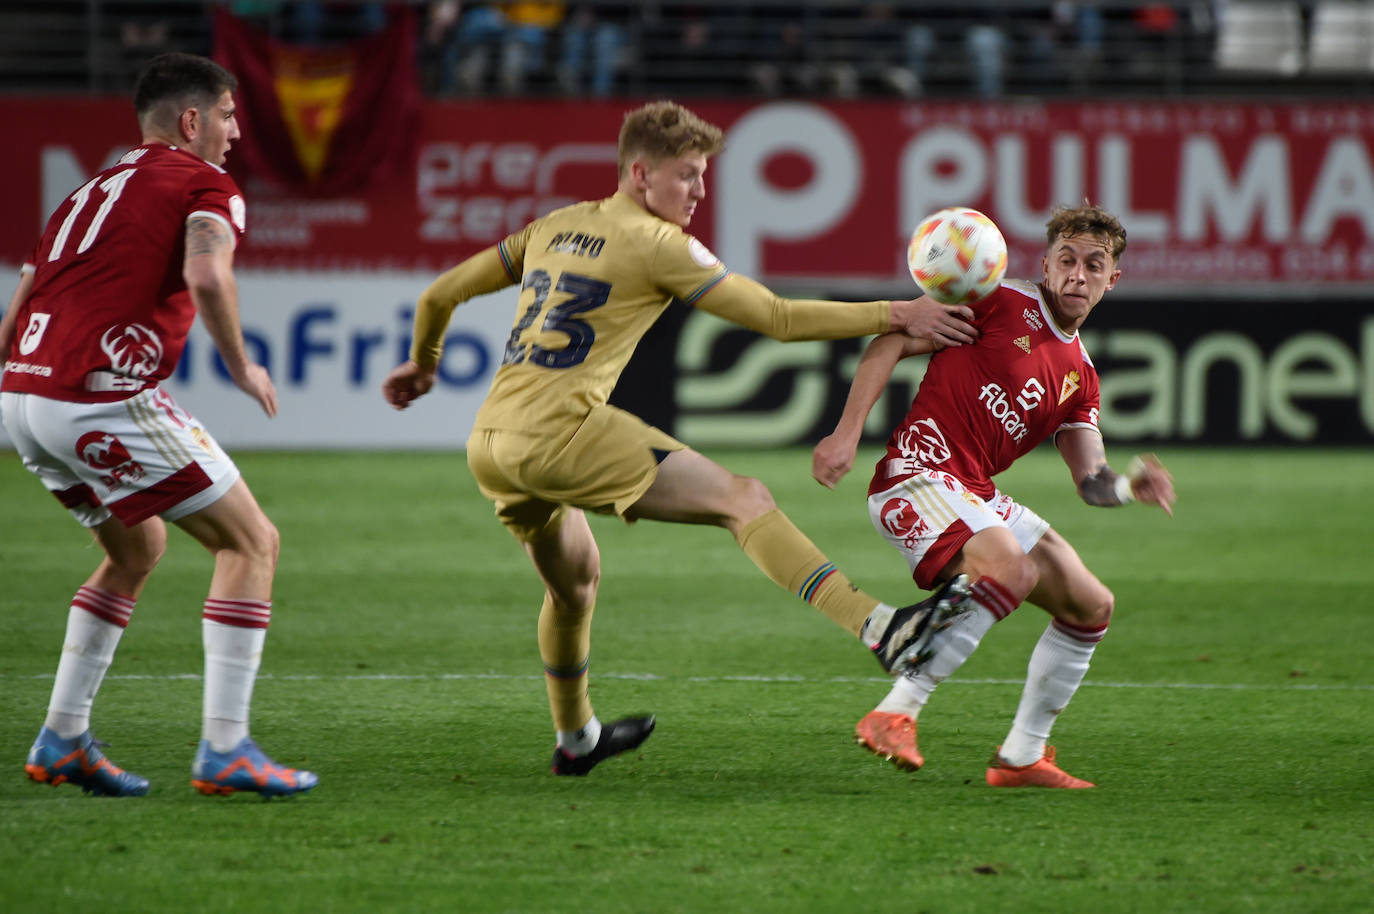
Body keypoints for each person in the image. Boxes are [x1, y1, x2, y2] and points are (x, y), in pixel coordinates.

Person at [382, 100, 981, 776]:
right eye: (688, 176)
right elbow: (777, 317)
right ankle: (882, 628)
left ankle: (577, 739)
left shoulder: (557, 224)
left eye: (703, 176)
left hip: (491, 442)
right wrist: (898, 311)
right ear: (642, 175)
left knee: (574, 587)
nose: (700, 191)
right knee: (744, 498)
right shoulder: (659, 244)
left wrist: (423, 364)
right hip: (560, 432)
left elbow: (439, 294)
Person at [0, 52, 316, 798]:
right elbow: (208, 274)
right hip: (100, 397)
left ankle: (63, 737)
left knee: (137, 547)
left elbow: (16, 314)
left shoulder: (83, 196)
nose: (237, 132)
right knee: (252, 541)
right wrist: (242, 366)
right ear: (192, 120)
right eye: (231, 114)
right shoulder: (203, 183)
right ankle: (226, 749)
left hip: (23, 401)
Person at [812, 203, 1176, 788]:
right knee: (1011, 567)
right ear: (1046, 263)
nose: (1077, 276)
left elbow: (1092, 481)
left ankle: (1021, 757)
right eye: (1066, 260)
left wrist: (1132, 487)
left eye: (1093, 265)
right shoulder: (999, 301)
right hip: (916, 475)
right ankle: (896, 711)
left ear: (1113, 278)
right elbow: (889, 344)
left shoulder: (1081, 376)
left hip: (974, 492)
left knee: (1090, 605)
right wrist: (845, 434)